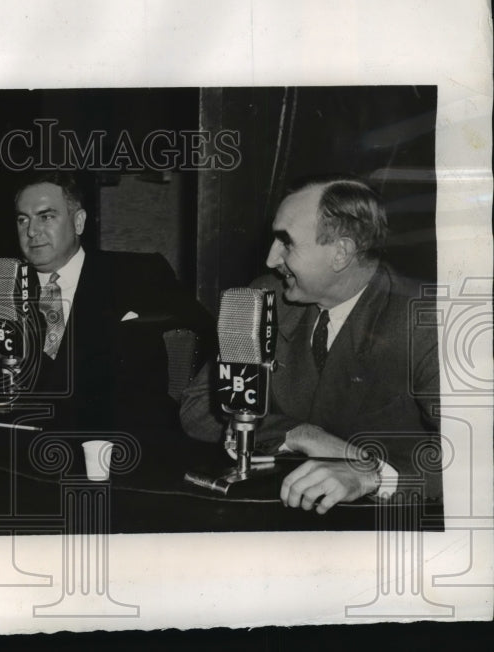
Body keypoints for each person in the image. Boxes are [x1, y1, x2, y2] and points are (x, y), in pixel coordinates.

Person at [180, 175, 441, 513]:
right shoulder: (266, 296)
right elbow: (198, 409)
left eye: (286, 243)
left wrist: (372, 475)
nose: (271, 260)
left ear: (341, 253)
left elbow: (477, 454)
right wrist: (298, 434)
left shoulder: (426, 319)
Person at [0, 171, 213, 432]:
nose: (32, 231)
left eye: (46, 216)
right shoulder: (1, 284)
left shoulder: (137, 273)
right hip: (21, 443)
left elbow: (208, 333)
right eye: (23, 220)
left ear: (79, 221)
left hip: (123, 444)